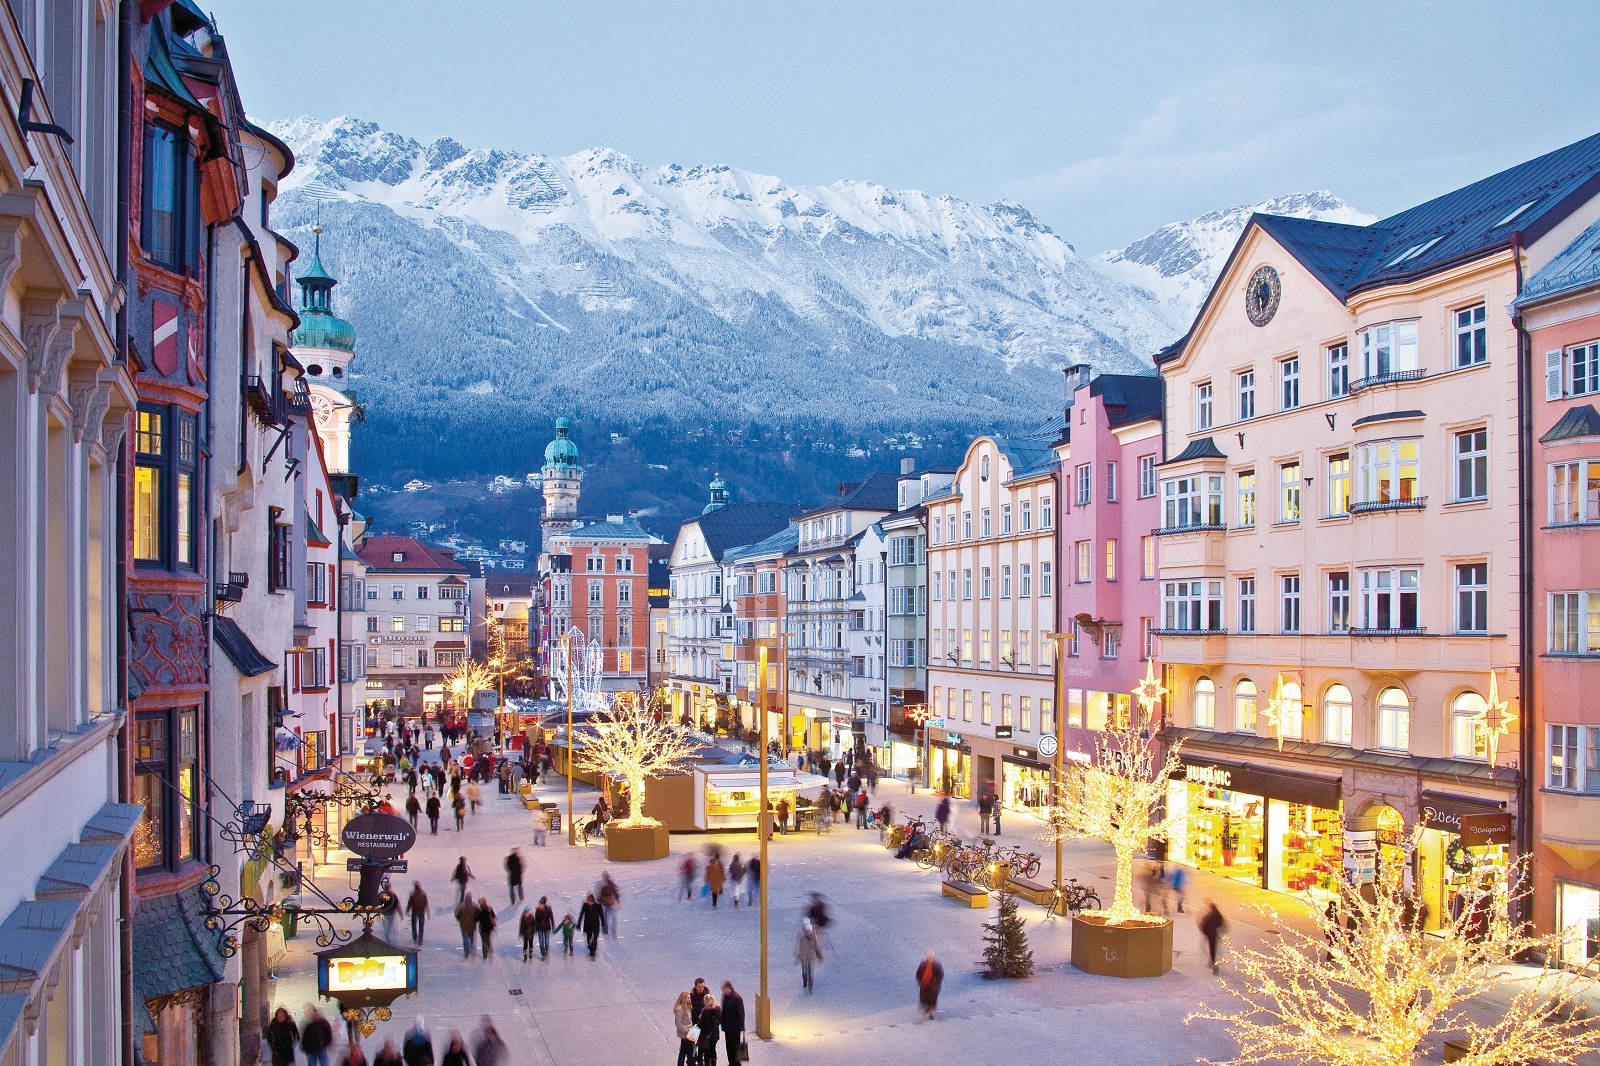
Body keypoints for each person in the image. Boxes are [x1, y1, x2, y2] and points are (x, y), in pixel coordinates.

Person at [720, 981, 746, 1066]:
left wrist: (741, 1027)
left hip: (735, 1029)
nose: (722, 990)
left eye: (723, 988)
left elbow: (741, 1014)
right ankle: (731, 1063)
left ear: (728, 987)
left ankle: (736, 1063)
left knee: (735, 1047)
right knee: (729, 1047)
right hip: (727, 1028)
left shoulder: (736, 998)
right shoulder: (725, 997)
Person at [795, 919, 822, 992]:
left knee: (811, 971)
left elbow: (817, 946)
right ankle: (805, 982)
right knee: (804, 971)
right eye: (806, 932)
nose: (808, 933)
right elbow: (798, 945)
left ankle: (810, 986)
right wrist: (797, 954)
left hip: (811, 956)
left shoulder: (814, 936)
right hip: (803, 956)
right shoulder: (801, 936)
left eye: (809, 932)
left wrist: (819, 955)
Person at [1199, 900, 1226, 974]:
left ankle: (1214, 964)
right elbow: (1221, 924)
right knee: (1214, 949)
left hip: (1210, 935)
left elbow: (1203, 925)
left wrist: (1205, 933)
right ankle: (1212, 962)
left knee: (1212, 949)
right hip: (1215, 935)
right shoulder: (1219, 915)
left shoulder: (1208, 916)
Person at [915, 952, 944, 1019]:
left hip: (933, 985)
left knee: (932, 999)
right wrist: (921, 982)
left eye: (931, 957)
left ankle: (930, 1012)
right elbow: (918, 973)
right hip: (925, 984)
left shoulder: (937, 965)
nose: (930, 959)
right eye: (929, 957)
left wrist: (937, 983)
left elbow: (940, 975)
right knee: (925, 998)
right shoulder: (923, 964)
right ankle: (927, 1008)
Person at [697, 993, 722, 1066]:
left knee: (707, 1052)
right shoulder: (718, 1010)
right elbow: (719, 1021)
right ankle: (714, 1064)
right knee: (713, 1050)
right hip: (715, 1034)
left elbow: (703, 1025)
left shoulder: (705, 1011)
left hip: (706, 1035)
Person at [672, 991, 697, 1066]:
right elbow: (678, 1022)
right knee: (687, 1051)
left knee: (685, 1050)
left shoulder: (688, 1007)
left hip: (689, 1033)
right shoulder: (680, 1009)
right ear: (683, 999)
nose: (689, 999)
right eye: (688, 998)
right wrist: (686, 1030)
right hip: (685, 1034)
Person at [578, 893, 604, 957]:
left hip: (595, 924)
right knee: (588, 937)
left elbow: (601, 915)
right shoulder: (585, 905)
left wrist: (603, 923)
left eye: (589, 901)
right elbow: (581, 914)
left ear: (592, 901)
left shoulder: (598, 906)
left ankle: (593, 950)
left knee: (595, 938)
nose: (587, 902)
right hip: (588, 924)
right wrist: (579, 923)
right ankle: (590, 946)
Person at [598, 872, 621, 938]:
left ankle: (605, 929)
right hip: (610, 902)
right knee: (612, 917)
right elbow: (614, 892)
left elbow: (601, 893)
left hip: (606, 902)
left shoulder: (603, 884)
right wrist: (617, 899)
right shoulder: (610, 883)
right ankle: (612, 930)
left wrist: (599, 901)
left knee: (606, 916)